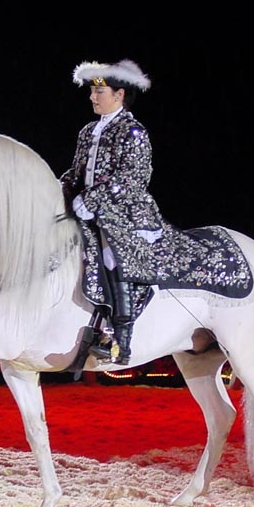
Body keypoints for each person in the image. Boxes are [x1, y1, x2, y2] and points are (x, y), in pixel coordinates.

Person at [60, 59, 167, 365]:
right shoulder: (87, 131)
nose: (93, 97)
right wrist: (58, 188)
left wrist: (92, 200)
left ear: (119, 95)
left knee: (111, 255)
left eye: (100, 91)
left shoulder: (132, 131)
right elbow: (76, 173)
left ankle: (121, 339)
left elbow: (133, 177)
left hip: (125, 212)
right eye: (93, 92)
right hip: (87, 209)